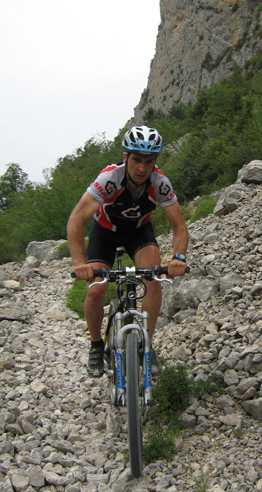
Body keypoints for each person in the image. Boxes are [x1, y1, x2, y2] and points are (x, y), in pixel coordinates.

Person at [67, 125, 189, 377]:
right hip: (105, 231)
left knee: (154, 282)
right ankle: (96, 346)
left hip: (138, 231)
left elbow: (179, 226)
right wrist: (80, 263)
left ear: (155, 161)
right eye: (136, 160)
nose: (142, 168)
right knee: (96, 291)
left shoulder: (160, 183)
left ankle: (146, 346)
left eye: (148, 161)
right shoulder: (110, 179)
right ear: (126, 157)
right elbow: (76, 219)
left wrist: (179, 257)